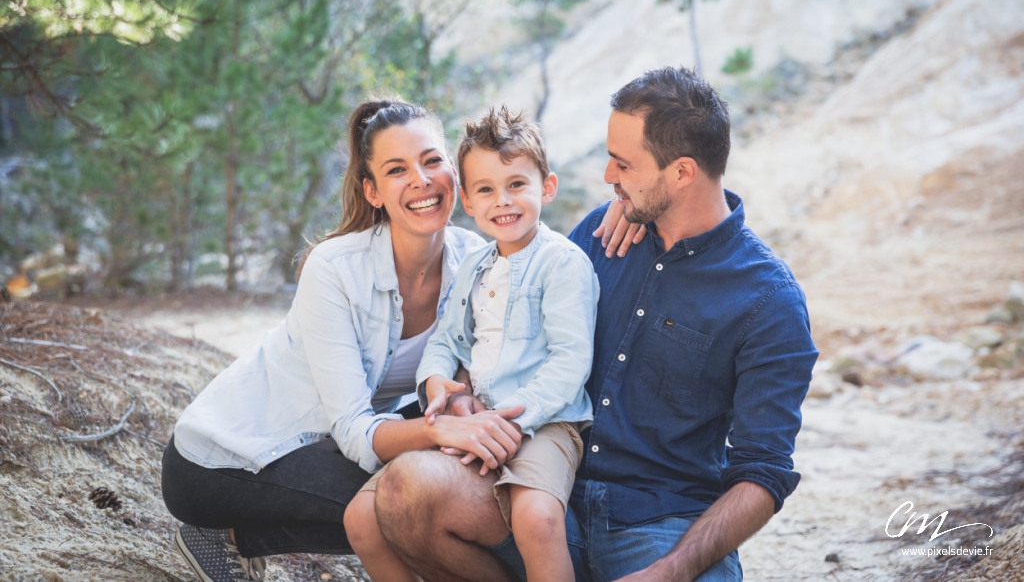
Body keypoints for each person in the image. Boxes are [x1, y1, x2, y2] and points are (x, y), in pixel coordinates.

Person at [160, 97, 640, 582]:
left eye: (432, 161)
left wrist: (627, 207)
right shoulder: (334, 269)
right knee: (407, 502)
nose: (421, 180)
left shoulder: (476, 257)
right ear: (372, 191)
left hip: (340, 440)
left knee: (430, 497)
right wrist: (438, 427)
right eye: (396, 170)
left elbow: (533, 277)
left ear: (455, 175)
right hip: (227, 456)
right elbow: (353, 427)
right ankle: (229, 537)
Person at [373, 67, 819, 582]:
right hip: (541, 488)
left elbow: (763, 473)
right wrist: (464, 390)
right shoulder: (596, 237)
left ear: (681, 173)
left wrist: (669, 572)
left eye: (623, 164)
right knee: (406, 496)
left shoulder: (768, 300)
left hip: (661, 523)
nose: (609, 176)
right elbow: (513, 333)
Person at [345, 106, 599, 582]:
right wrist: (438, 385)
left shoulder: (562, 263)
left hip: (546, 421)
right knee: (361, 520)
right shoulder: (475, 265)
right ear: (467, 199)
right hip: (478, 418)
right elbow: (447, 340)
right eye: (486, 190)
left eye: (517, 185)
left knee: (536, 518)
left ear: (547, 187)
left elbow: (571, 361)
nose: (502, 202)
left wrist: (514, 416)